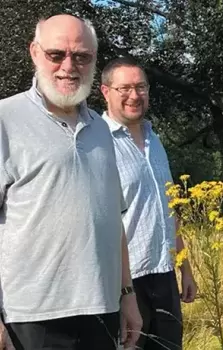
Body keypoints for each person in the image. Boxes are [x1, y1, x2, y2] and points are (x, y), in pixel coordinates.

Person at [0, 14, 142, 349]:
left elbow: (112, 219)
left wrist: (127, 295)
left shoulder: (101, 131)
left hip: (101, 311)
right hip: (31, 317)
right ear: (35, 52)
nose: (69, 66)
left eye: (82, 56)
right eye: (56, 54)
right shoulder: (5, 119)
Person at [99, 56, 197, 350]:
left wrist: (185, 267)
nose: (134, 95)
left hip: (164, 273)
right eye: (124, 88)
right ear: (106, 92)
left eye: (141, 87)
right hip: (124, 282)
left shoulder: (155, 140)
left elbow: (168, 209)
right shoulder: (98, 143)